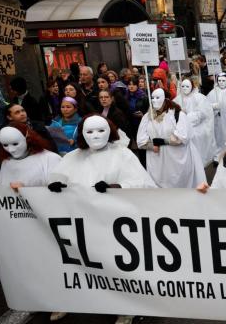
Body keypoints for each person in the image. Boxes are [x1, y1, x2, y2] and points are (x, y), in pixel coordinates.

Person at [47, 115, 155, 324]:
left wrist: (116, 188)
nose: (95, 136)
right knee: (80, 265)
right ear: (82, 134)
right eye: (90, 132)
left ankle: (126, 308)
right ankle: (68, 300)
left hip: (115, 224)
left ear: (110, 130)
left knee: (118, 267)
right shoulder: (72, 157)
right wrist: (56, 184)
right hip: (83, 223)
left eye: (100, 130)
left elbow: (143, 185)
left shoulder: (123, 155)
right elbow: (57, 177)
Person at [137, 88, 206, 188]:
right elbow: (140, 140)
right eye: (152, 98)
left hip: (176, 159)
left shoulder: (177, 115)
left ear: (165, 99)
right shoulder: (147, 117)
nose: (154, 100)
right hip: (156, 161)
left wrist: (164, 141)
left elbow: (182, 137)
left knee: (178, 186)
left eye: (157, 97)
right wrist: (151, 145)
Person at [0, 123, 61, 189]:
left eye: (15, 144)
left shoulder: (50, 158)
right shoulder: (6, 162)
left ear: (28, 138)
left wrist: (26, 190)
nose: (11, 150)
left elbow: (60, 190)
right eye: (5, 145)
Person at [173, 78, 217, 167]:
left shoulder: (199, 97)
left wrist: (187, 117)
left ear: (192, 87)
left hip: (197, 126)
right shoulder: (177, 99)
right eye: (183, 86)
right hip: (181, 127)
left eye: (187, 86)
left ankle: (197, 163)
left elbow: (202, 113)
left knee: (195, 138)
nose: (185, 88)